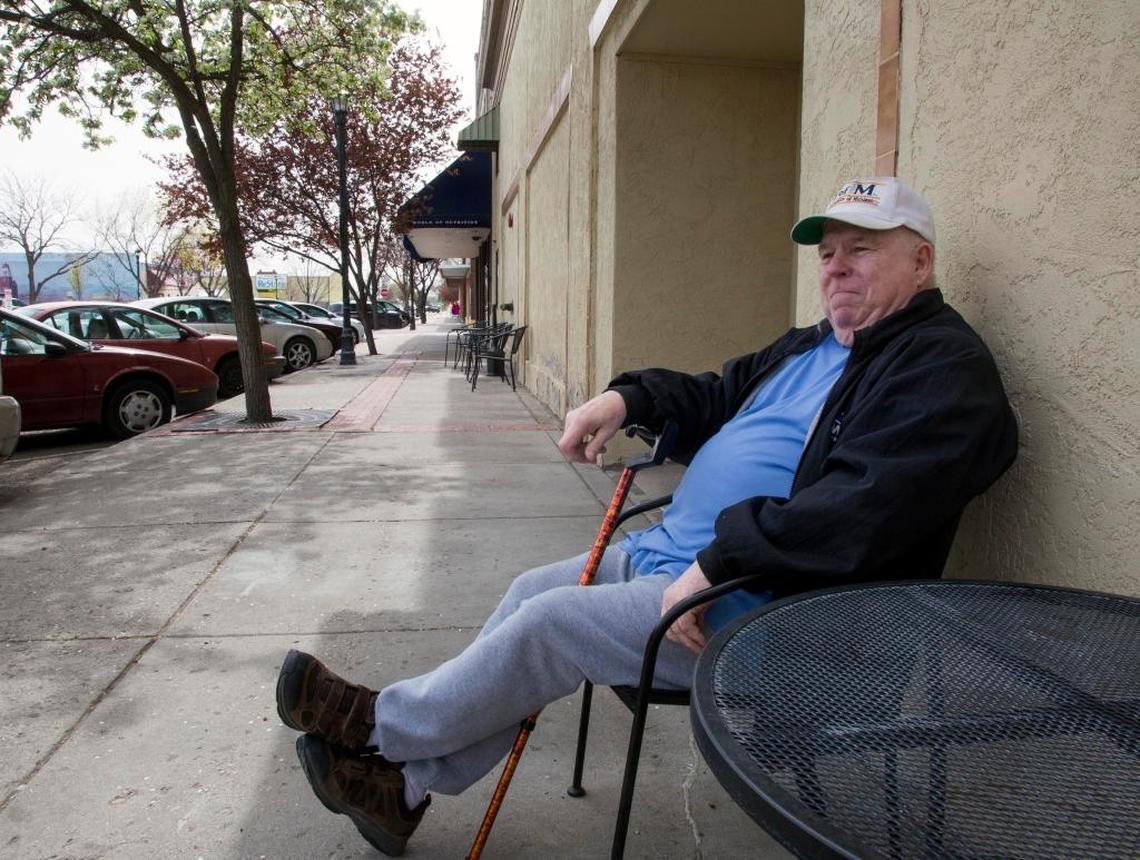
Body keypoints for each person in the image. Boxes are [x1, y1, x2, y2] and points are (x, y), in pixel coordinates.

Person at [275, 177, 1018, 855]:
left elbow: (859, 509)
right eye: (828, 252)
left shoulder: (942, 372)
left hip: (781, 619)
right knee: (532, 591)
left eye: (862, 249)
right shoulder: (814, 344)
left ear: (920, 263)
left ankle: (380, 729)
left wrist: (719, 562)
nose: (836, 267)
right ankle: (401, 790)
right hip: (681, 563)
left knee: (550, 626)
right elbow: (715, 393)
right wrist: (627, 398)